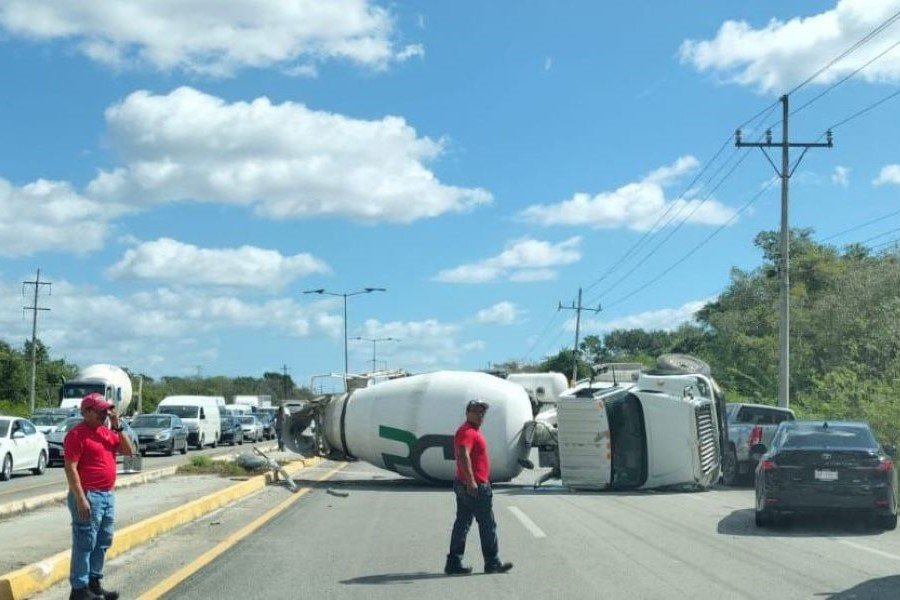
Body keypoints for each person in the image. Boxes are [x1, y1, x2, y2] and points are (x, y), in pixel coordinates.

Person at [63, 393, 134, 600]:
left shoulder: (106, 432)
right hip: (88, 495)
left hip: (106, 495)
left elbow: (129, 452)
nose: (105, 414)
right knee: (85, 542)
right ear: (86, 412)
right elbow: (70, 468)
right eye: (100, 410)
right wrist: (80, 498)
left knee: (103, 541)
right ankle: (79, 589)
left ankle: (93, 583)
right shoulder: (77, 435)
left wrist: (117, 424)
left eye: (106, 410)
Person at [444, 399, 513, 576]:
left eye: (482, 412)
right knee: (487, 524)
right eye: (476, 411)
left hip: (466, 484)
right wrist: (471, 481)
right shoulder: (467, 432)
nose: (480, 415)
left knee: (462, 523)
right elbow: (463, 454)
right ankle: (492, 562)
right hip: (474, 486)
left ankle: (453, 562)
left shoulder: (470, 431)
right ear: (467, 413)